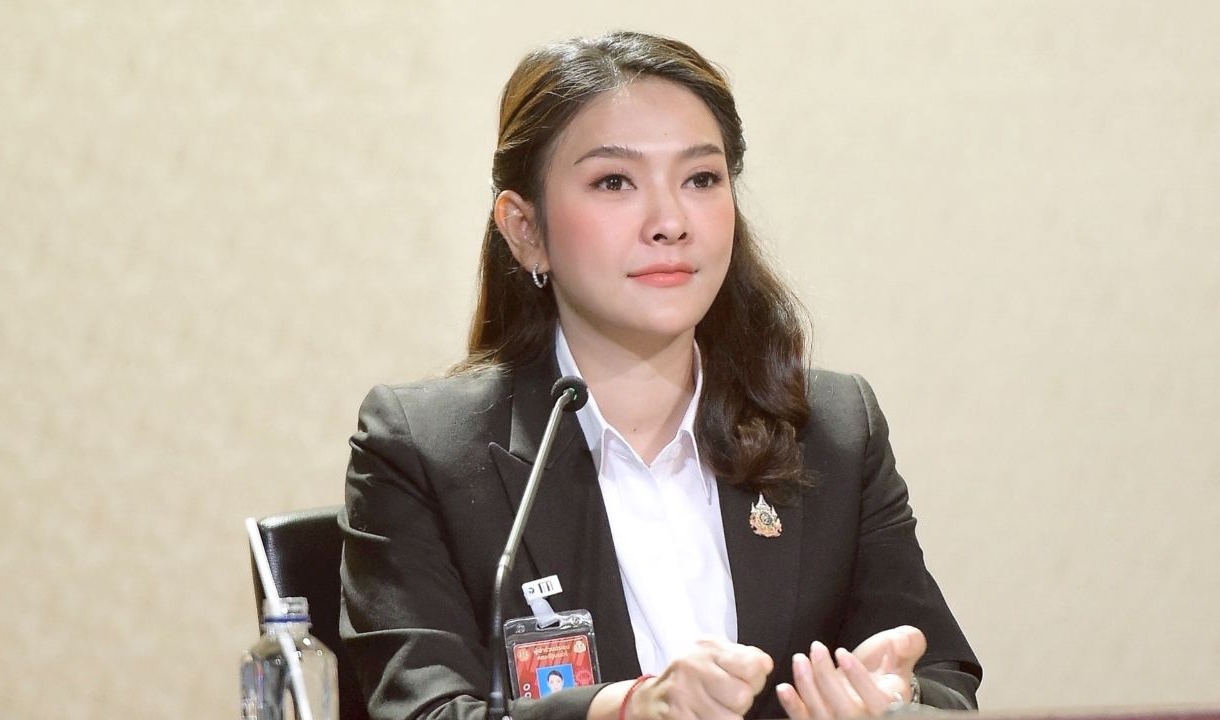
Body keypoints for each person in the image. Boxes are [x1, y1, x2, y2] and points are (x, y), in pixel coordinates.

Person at [340, 30, 981, 720]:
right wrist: (627, 709)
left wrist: (897, 698)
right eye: (614, 182)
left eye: (701, 179)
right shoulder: (424, 450)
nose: (671, 222)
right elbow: (425, 712)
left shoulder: (832, 428)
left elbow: (942, 677)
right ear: (525, 228)